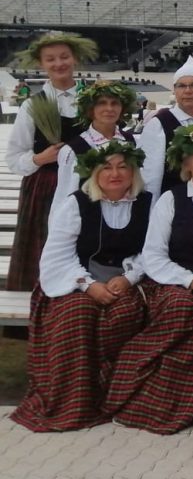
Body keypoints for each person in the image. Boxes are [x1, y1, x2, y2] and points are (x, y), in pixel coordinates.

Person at [104, 126, 193, 434]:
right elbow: (154, 254)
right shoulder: (171, 199)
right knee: (180, 308)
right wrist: (191, 280)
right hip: (173, 281)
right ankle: (148, 382)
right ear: (187, 164)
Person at [11, 141, 150, 431]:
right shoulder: (77, 204)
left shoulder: (147, 204)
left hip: (125, 282)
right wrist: (88, 285)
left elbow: (151, 251)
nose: (115, 174)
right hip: (74, 280)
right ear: (95, 173)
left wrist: (128, 278)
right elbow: (58, 254)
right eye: (107, 167)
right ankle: (72, 402)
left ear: (133, 172)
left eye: (122, 167)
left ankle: (115, 398)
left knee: (124, 316)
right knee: (76, 315)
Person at [6, 32, 96, 298]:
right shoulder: (32, 106)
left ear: (75, 59)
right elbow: (14, 158)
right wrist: (40, 158)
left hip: (88, 184)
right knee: (44, 243)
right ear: (41, 63)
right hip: (46, 186)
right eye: (51, 59)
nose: (59, 64)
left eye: (64, 57)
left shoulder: (94, 100)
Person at [137, 55, 193, 200]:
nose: (188, 90)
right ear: (174, 91)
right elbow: (150, 174)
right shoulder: (160, 123)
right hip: (173, 202)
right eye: (181, 86)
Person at [53, 80, 138, 204]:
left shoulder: (131, 141)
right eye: (102, 103)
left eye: (114, 103)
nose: (109, 108)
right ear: (90, 109)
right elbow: (64, 197)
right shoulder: (74, 150)